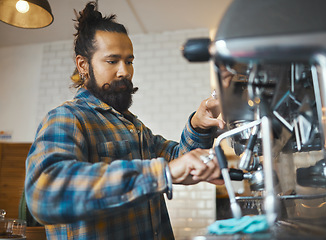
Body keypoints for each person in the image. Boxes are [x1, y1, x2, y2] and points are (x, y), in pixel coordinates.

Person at [25, 2, 225, 239]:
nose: (125, 72)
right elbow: (44, 194)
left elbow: (180, 161)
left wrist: (199, 126)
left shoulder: (135, 128)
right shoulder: (67, 118)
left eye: (129, 61)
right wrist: (161, 174)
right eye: (112, 61)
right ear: (83, 65)